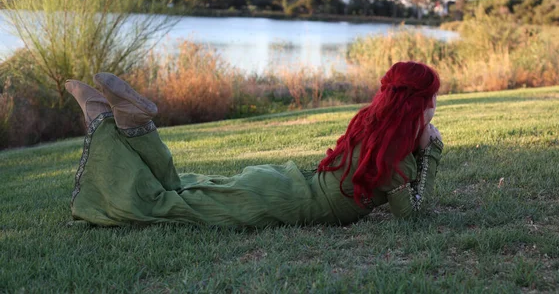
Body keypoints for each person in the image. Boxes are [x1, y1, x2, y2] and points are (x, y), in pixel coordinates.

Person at [66, 61, 443, 227]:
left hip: (284, 183)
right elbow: (410, 214)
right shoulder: (399, 161)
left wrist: (418, 139)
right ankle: (106, 123)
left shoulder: (372, 127)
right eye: (433, 99)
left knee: (183, 187)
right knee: (167, 207)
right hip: (279, 200)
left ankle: (135, 123)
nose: (436, 106)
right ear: (420, 105)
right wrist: (431, 150)